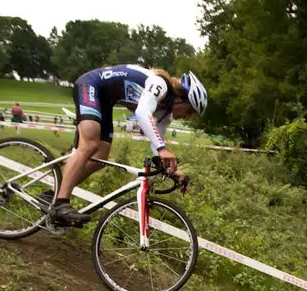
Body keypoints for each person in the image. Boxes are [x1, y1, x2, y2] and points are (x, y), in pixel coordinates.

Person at [49, 65, 207, 225]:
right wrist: (161, 149)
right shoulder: (160, 84)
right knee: (90, 144)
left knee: (99, 158)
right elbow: (142, 113)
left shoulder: (165, 113)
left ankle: (54, 193)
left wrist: (172, 171)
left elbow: (157, 145)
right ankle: (60, 203)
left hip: (104, 100)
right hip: (91, 85)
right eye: (189, 111)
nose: (187, 117)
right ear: (181, 99)